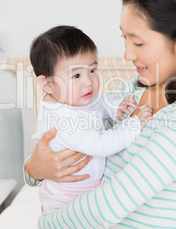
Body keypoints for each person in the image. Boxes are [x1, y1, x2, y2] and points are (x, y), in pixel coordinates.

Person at [25, 0, 176, 228]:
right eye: (124, 38)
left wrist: (46, 223)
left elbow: (107, 208)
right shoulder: (129, 92)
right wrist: (33, 170)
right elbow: (66, 148)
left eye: (138, 42)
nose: (127, 55)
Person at [29, 25, 153, 213]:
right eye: (76, 75)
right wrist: (133, 125)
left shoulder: (75, 97)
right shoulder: (61, 119)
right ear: (46, 84)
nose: (88, 81)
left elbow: (100, 102)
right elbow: (101, 145)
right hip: (64, 200)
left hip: (89, 192)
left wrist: (116, 107)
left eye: (93, 70)